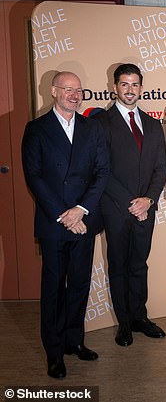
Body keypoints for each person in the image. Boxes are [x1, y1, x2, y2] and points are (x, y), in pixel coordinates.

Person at [22, 71, 109, 378]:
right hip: (55, 222)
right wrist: (65, 215)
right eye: (68, 89)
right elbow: (35, 177)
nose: (74, 94)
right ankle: (54, 352)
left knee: (80, 285)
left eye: (79, 90)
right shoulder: (37, 128)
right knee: (54, 289)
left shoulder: (92, 127)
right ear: (54, 91)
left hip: (84, 221)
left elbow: (102, 171)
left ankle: (75, 342)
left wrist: (81, 210)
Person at [95, 64, 166, 346]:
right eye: (124, 84)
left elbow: (160, 168)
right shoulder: (102, 122)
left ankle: (140, 317)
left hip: (145, 210)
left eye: (134, 84)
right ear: (115, 87)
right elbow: (101, 169)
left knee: (139, 265)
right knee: (118, 266)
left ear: (141, 87)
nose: (129, 89)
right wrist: (130, 202)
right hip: (116, 209)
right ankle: (124, 323)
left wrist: (148, 200)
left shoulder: (151, 124)